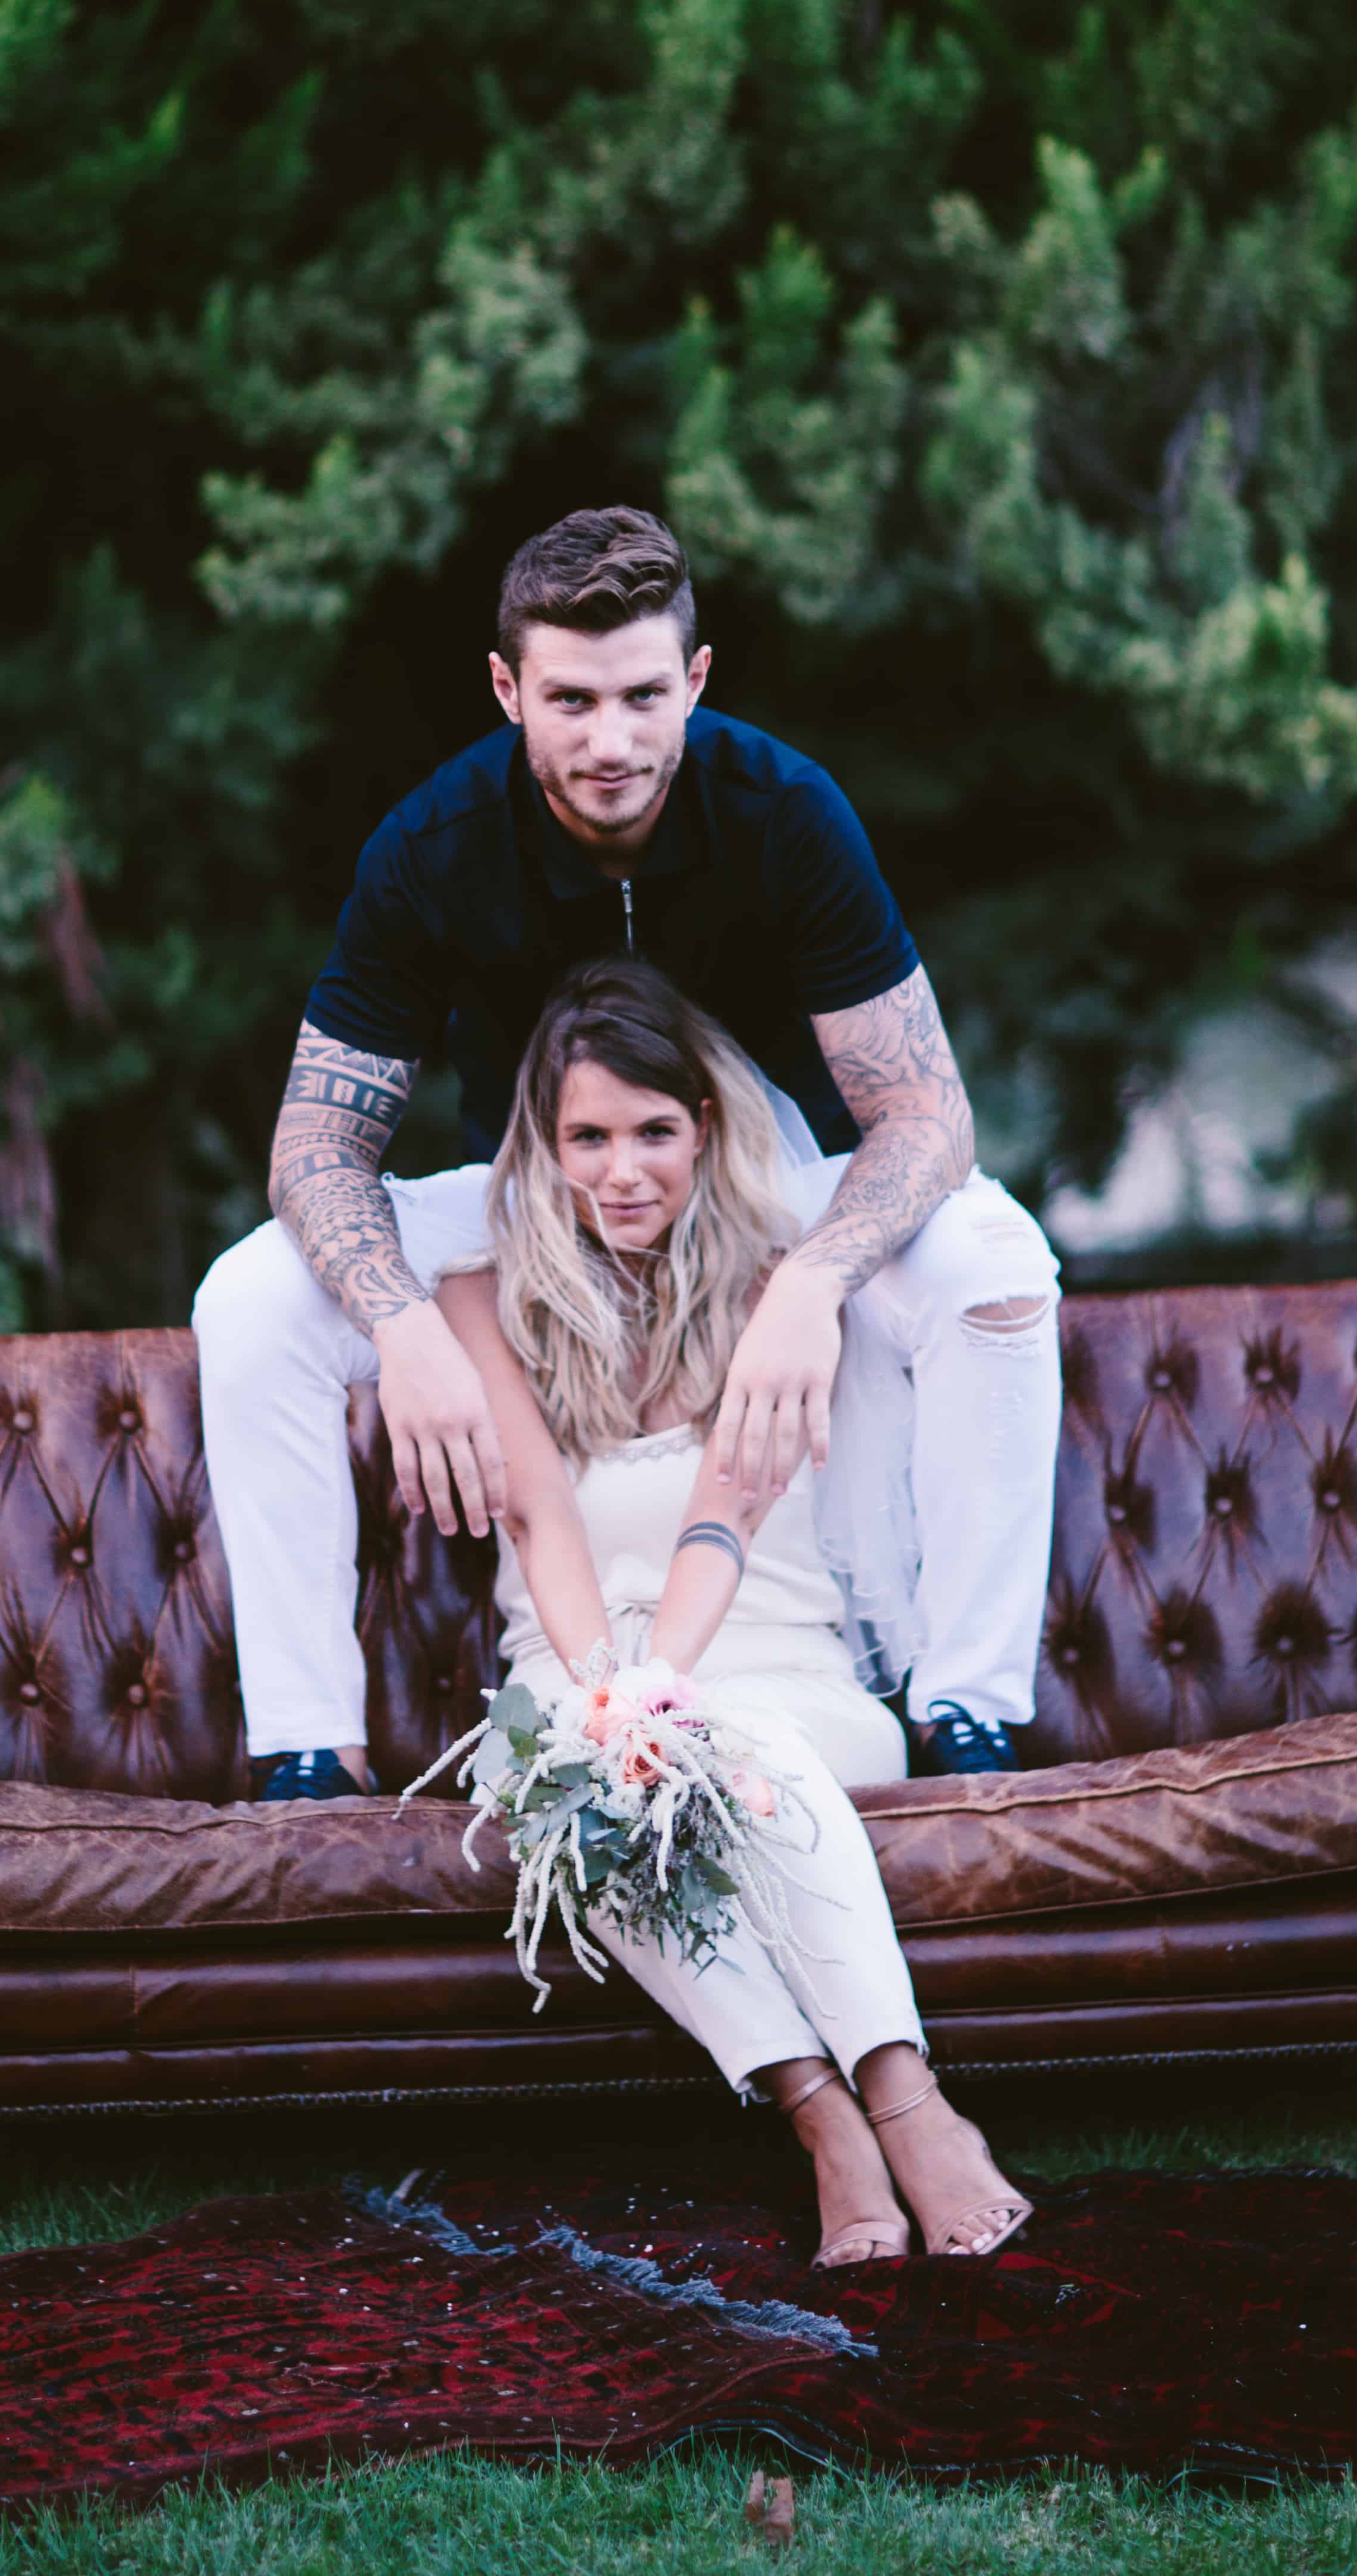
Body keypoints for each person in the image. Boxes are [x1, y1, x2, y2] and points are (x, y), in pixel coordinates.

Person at [194, 503, 1062, 1802]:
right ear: (509, 691)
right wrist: (403, 1324)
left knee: (994, 1257)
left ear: (695, 680)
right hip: (531, 1195)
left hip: (766, 1193)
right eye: (572, 701)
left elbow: (928, 1114)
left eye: (645, 696)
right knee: (252, 1294)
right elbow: (316, 1144)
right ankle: (312, 1747)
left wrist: (813, 1280)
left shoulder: (787, 811)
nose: (612, 742)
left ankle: (967, 1711)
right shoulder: (432, 846)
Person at [434, 955, 1031, 2263]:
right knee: (567, 1793)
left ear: (704, 1129)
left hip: (782, 1674)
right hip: (570, 1672)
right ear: (542, 1145)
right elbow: (537, 1515)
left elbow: (726, 1516)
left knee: (732, 1745)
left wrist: (665, 1698)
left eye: (654, 1132)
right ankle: (828, 2119)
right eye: (588, 1138)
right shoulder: (479, 1299)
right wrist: (613, 1704)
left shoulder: (780, 1287)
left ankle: (909, 2101)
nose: (623, 1171)